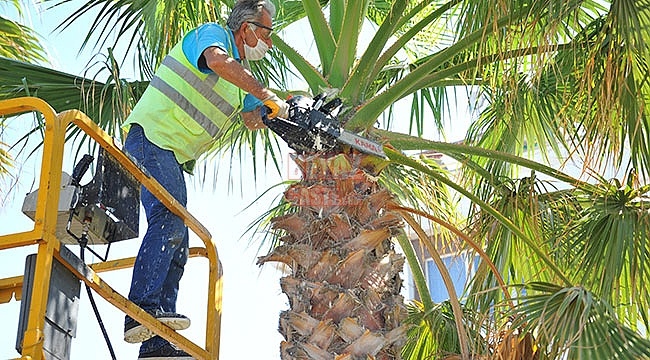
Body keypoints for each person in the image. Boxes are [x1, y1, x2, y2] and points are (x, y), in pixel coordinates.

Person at [120, 1, 287, 358]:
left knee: (177, 242)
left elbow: (252, 118)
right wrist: (266, 95)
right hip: (151, 139)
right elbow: (216, 62)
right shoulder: (212, 36)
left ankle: (157, 342)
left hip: (169, 155)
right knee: (169, 222)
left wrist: (282, 110)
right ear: (246, 28)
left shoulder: (238, 77)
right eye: (268, 33)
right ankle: (141, 311)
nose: (269, 43)